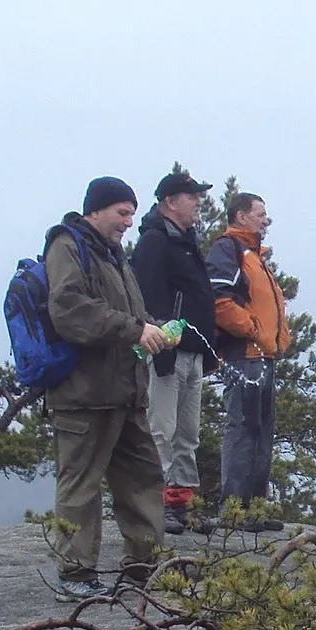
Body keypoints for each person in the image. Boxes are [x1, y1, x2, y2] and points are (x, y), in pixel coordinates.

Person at [44, 176, 174, 597]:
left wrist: (153, 328)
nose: (128, 222)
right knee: (81, 485)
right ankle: (74, 574)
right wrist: (134, 330)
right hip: (84, 395)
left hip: (126, 391)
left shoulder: (113, 254)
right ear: (95, 209)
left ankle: (145, 563)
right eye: (122, 213)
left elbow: (128, 312)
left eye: (133, 214)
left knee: (143, 477)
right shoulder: (67, 246)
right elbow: (69, 309)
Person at [132, 172, 219, 535]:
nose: (198, 202)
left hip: (193, 353)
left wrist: (208, 350)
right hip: (167, 353)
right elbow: (146, 298)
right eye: (191, 196)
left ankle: (182, 503)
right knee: (161, 430)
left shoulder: (185, 241)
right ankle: (155, 505)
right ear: (170, 201)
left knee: (187, 433)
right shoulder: (154, 241)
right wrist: (159, 349)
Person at [207, 191, 292, 525]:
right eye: (260, 213)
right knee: (243, 429)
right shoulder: (228, 250)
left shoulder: (256, 257)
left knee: (260, 431)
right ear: (240, 216)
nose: (266, 220)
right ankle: (233, 511)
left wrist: (277, 339)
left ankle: (253, 510)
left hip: (263, 356)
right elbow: (219, 300)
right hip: (244, 356)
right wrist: (254, 330)